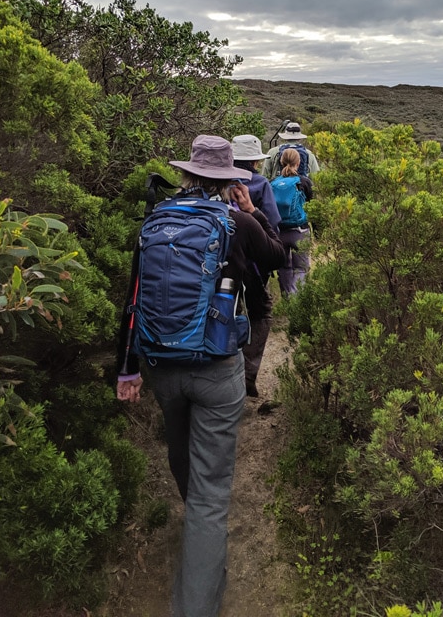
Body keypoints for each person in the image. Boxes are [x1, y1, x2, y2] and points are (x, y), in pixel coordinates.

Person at [116, 135, 285, 617]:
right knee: (212, 496)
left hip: (161, 366)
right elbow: (276, 257)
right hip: (216, 370)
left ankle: (196, 530)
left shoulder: (156, 220)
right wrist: (255, 211)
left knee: (179, 451)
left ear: (188, 174)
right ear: (230, 180)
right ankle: (198, 597)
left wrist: (128, 368)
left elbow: (134, 297)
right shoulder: (237, 220)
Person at [232, 134, 281, 398]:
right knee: (261, 313)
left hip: (220, 264)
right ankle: (247, 374)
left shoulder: (219, 182)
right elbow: (273, 221)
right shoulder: (260, 184)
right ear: (254, 161)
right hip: (252, 266)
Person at [274, 147, 314, 297]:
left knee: (284, 267)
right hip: (300, 231)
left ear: (281, 162)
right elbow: (313, 206)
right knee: (301, 267)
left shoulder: (273, 183)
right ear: (298, 163)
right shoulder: (304, 182)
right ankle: (296, 297)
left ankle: (286, 298)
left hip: (280, 231)